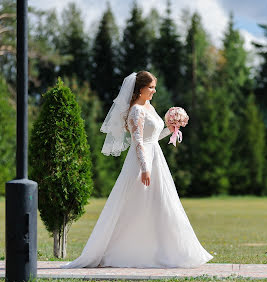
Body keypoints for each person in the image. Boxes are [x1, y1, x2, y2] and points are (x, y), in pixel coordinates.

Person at [61, 71, 213, 268]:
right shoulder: (135, 111)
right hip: (142, 162)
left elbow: (154, 136)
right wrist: (144, 168)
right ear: (140, 89)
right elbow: (138, 141)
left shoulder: (148, 107)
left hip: (156, 158)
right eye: (150, 87)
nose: (154, 91)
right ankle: (121, 251)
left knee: (162, 204)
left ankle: (170, 251)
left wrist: (172, 128)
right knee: (133, 206)